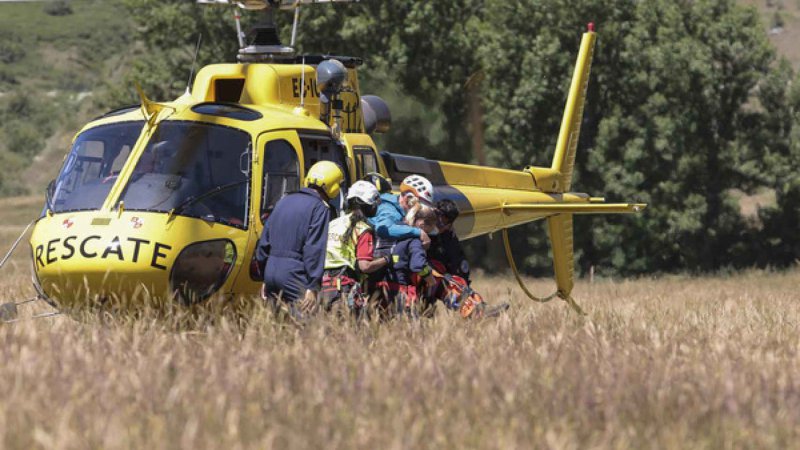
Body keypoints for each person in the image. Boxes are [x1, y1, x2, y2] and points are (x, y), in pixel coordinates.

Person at [255, 160, 343, 319]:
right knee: (308, 329)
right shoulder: (320, 208)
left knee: (276, 328)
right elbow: (314, 248)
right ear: (333, 187)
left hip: (271, 270)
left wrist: (265, 277)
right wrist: (312, 285)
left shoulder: (283, 201)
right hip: (294, 273)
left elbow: (264, 242)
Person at [320, 180, 390, 314]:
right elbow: (365, 266)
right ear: (370, 206)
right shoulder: (363, 229)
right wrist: (386, 259)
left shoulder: (334, 223)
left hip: (322, 286)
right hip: (343, 289)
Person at [380, 204, 438, 317]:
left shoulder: (394, 229)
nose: (428, 235)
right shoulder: (415, 240)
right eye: (428, 231)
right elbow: (418, 265)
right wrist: (430, 278)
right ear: (421, 225)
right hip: (398, 289)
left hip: (378, 287)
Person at [429, 199, 471, 283]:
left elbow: (458, 262)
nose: (439, 223)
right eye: (438, 217)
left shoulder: (449, 237)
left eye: (444, 220)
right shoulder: (421, 233)